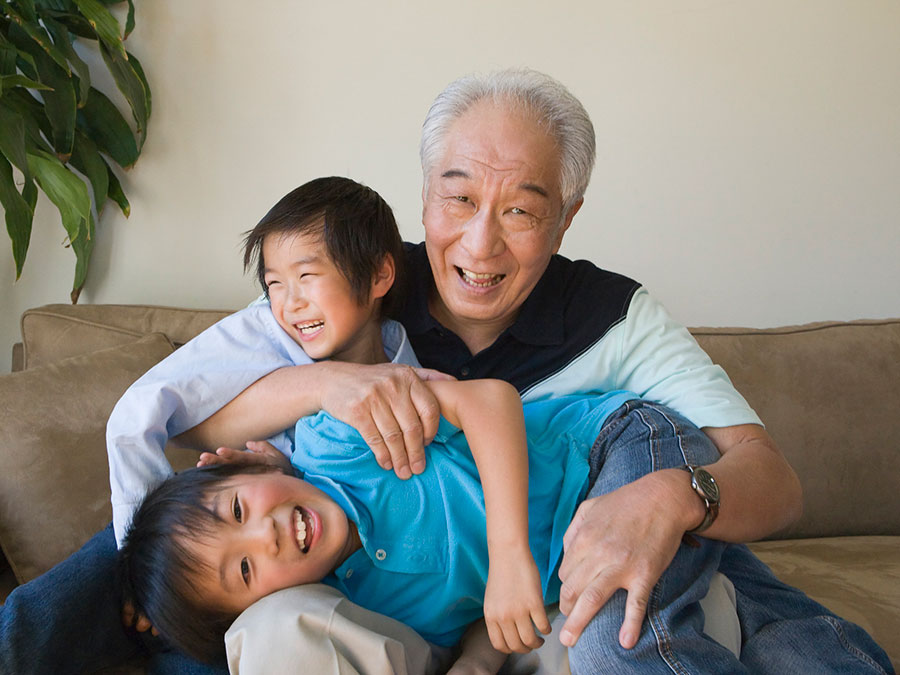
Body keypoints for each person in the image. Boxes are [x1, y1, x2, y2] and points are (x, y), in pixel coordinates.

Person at [0, 68, 893, 675]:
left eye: (522, 210)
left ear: (569, 215)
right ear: (422, 194)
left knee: (652, 606)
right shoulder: (350, 276)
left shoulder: (615, 318)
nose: (478, 241)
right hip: (358, 557)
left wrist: (665, 499)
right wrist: (326, 383)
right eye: (459, 198)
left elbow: (772, 482)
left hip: (581, 512)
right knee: (165, 547)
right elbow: (187, 421)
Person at [122, 387, 656, 670]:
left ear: (250, 466)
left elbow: (488, 399)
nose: (266, 535)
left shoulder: (337, 441)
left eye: (237, 511)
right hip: (575, 573)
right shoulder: (362, 610)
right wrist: (476, 662)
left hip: (607, 449)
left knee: (632, 642)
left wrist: (509, 555)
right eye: (243, 569)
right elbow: (478, 614)